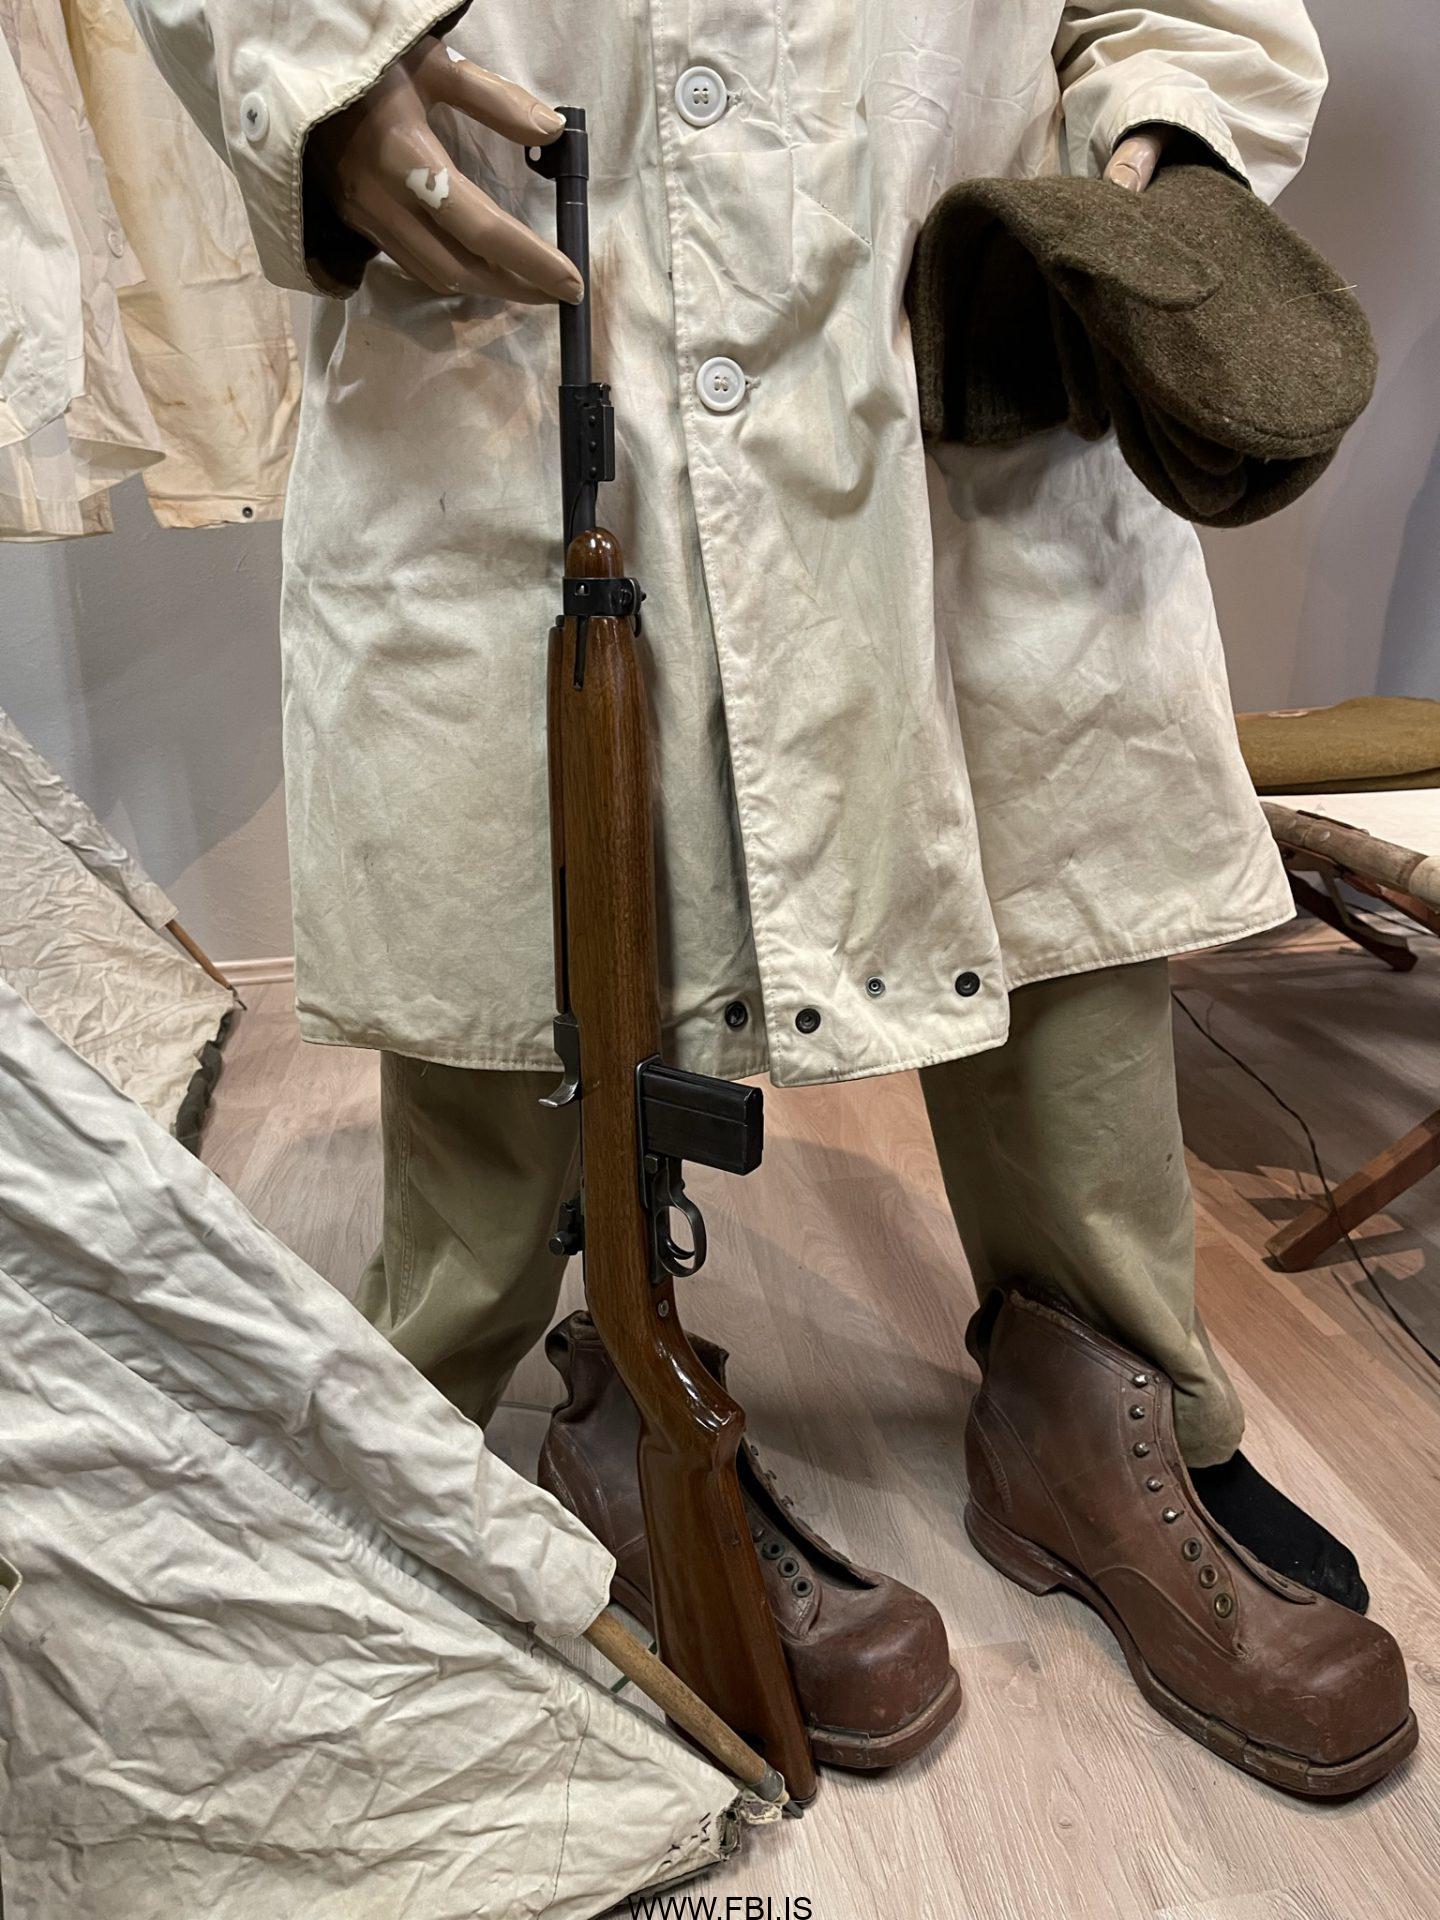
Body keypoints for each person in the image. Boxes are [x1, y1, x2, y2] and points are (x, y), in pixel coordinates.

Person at [128, 1, 1415, 1792]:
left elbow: (1180, 15)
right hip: (520, 301)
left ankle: (1095, 1398)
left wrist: (1161, 151)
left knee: (1045, 873)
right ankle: (565, 1409)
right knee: (519, 917)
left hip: (961, 297)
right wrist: (319, 74)